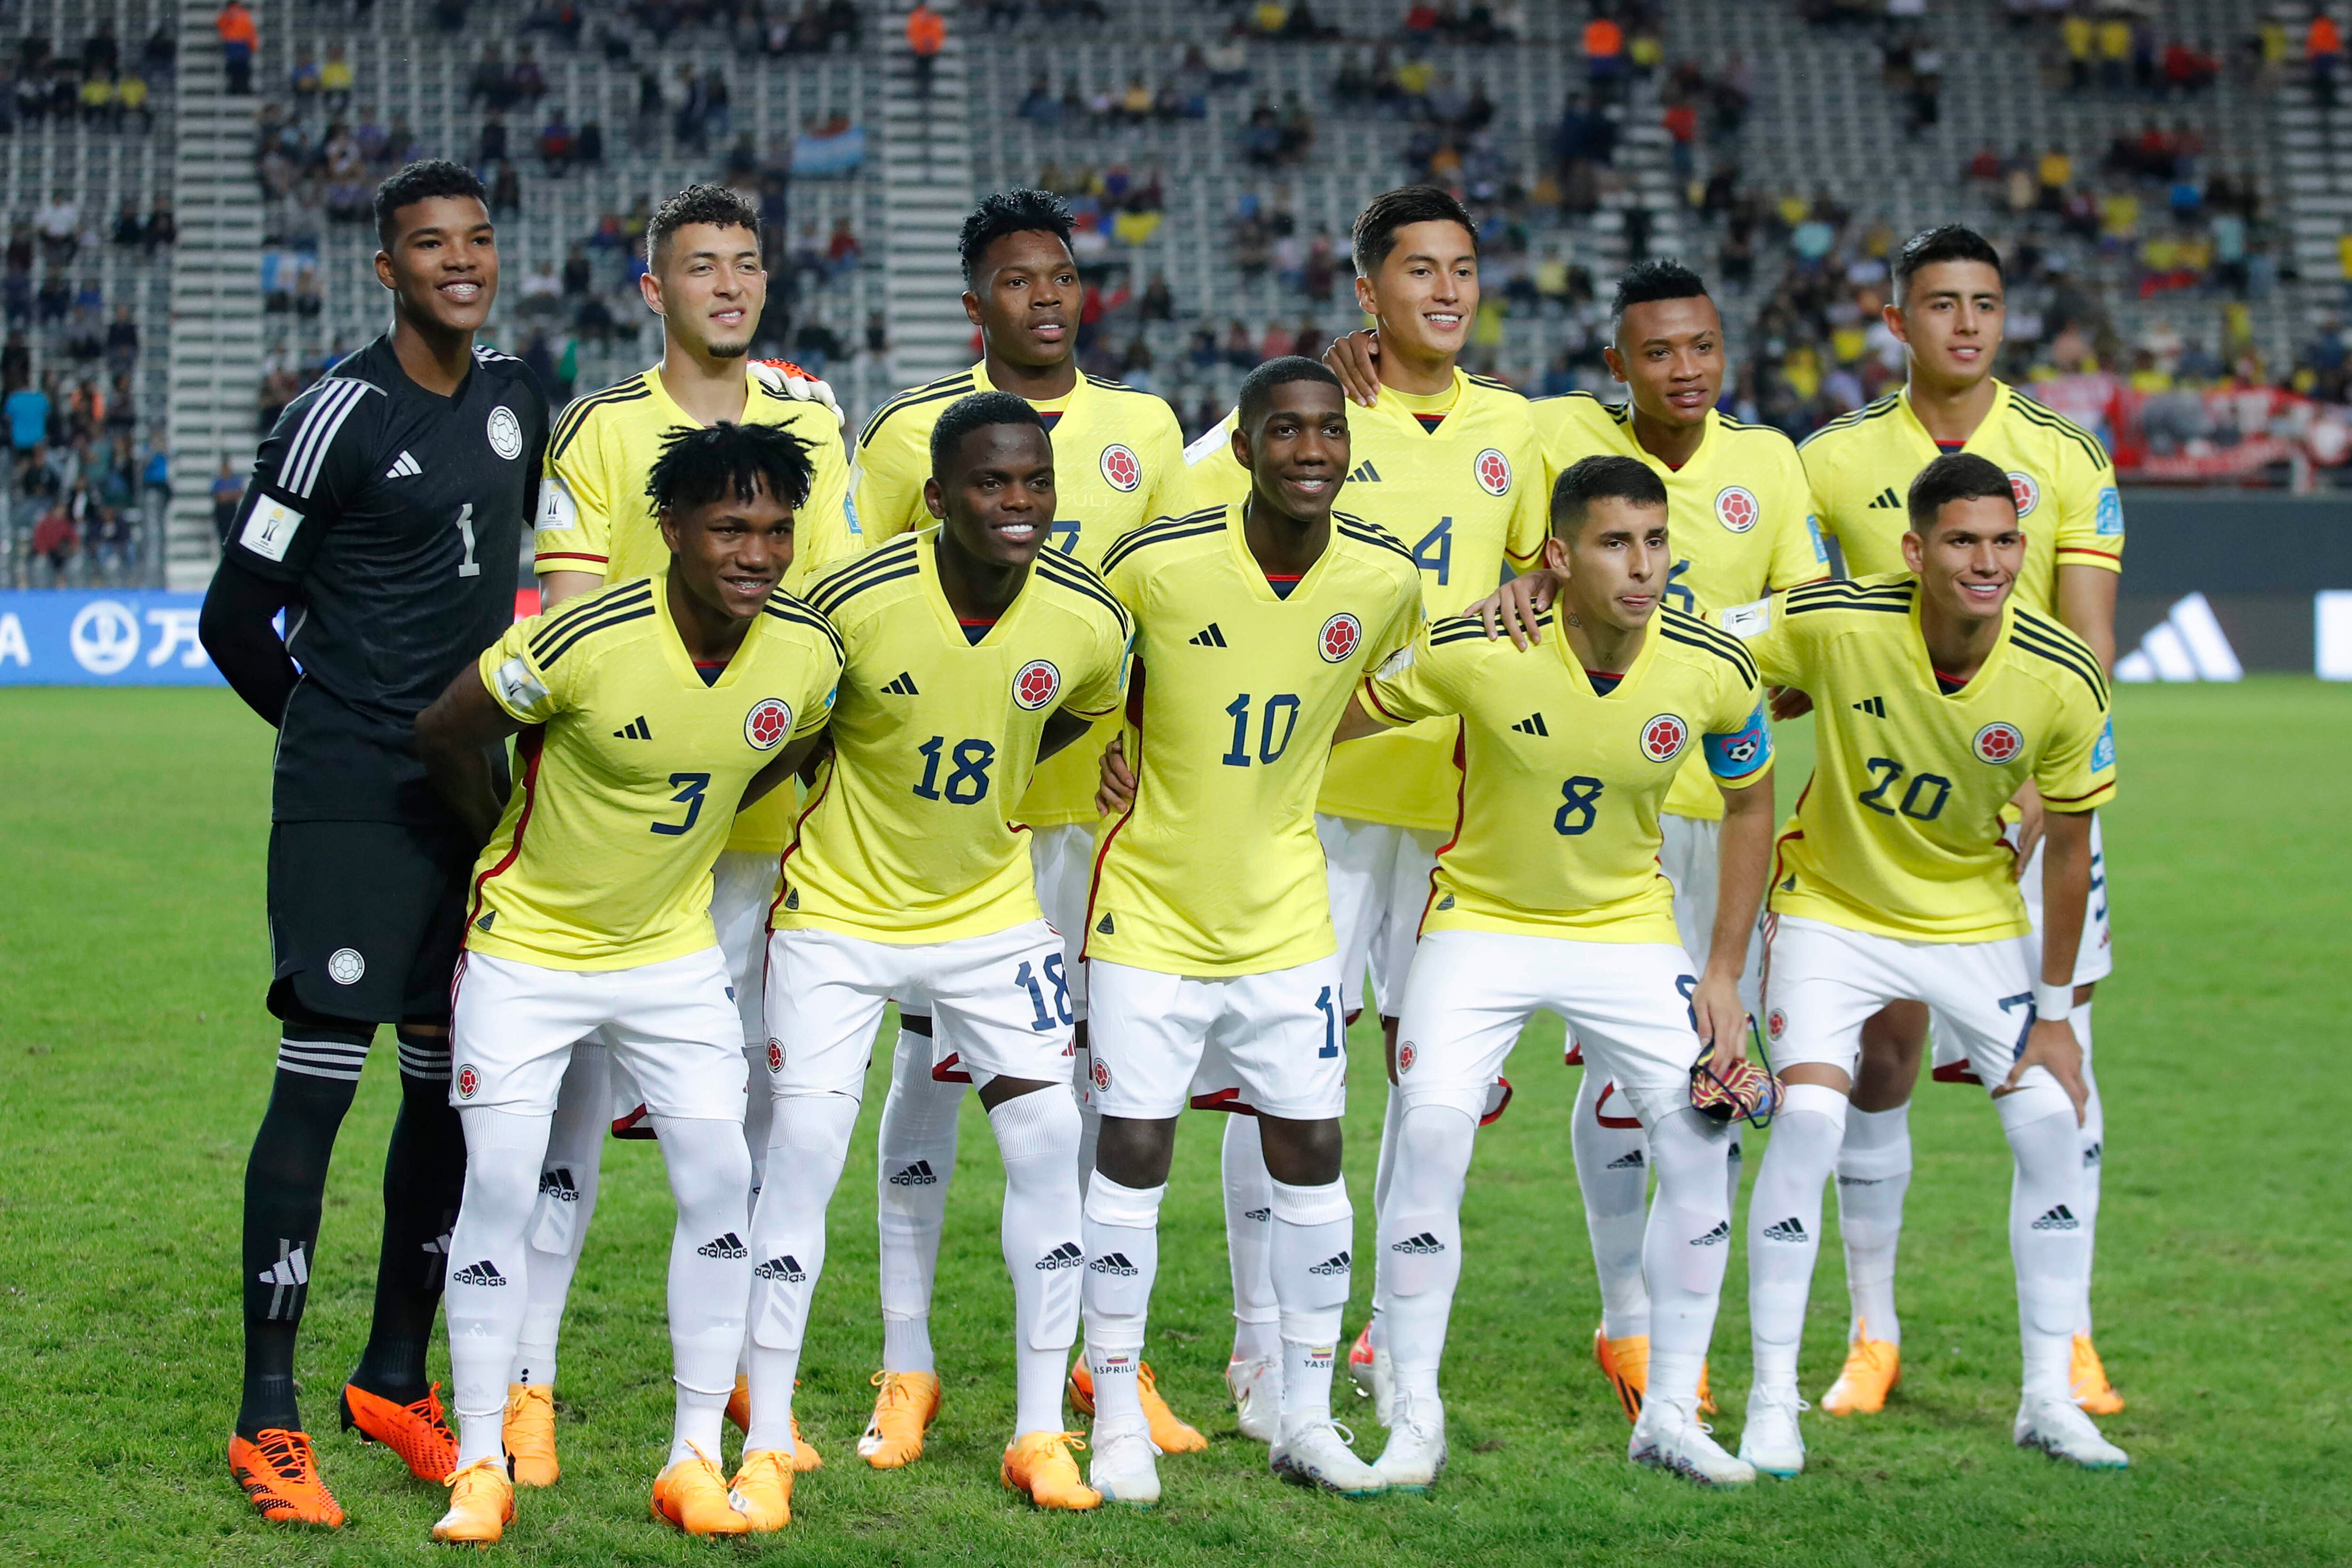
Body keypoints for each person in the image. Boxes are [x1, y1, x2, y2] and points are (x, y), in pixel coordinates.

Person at [411, 422, 844, 1544]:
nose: (756, 551)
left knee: (717, 1178)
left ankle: (695, 1455)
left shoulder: (805, 653)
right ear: (671, 531)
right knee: (502, 1184)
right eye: (729, 526)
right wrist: (499, 839)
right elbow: (448, 728)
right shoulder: (583, 638)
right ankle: (477, 1459)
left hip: (669, 954)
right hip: (529, 948)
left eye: (775, 529)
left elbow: (793, 744)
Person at [198, 161, 550, 1528]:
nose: (458, 262)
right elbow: (237, 618)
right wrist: (331, 738)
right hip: (352, 804)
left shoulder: (521, 395)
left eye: (475, 239)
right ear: (385, 268)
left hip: (474, 802)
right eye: (427, 245)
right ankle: (267, 1416)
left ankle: (393, 1375)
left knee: (441, 1089)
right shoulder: (332, 416)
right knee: (318, 1086)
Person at [1327, 454, 1775, 1487]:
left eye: (1656, 541)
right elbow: (1337, 710)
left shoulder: (1713, 668)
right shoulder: (1479, 648)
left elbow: (1749, 802)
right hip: (1479, 921)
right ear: (1562, 556)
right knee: (1431, 1131)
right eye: (1616, 543)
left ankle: (1668, 1407)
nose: (1643, 565)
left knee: (1701, 1144)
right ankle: (1412, 1406)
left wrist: (1723, 971)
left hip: (1625, 929)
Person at [504, 181, 850, 1487]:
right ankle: (527, 1380)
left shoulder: (811, 415)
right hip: (626, 841)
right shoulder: (599, 431)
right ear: (653, 291)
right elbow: (577, 631)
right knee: (571, 1124)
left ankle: (761, 1397)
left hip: (769, 831)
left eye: (746, 264)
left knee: (758, 1127)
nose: (727, 284)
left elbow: (830, 613)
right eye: (700, 266)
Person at [846, 188, 1196, 1465]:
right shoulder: (904, 438)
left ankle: (1115, 1357)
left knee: (1106, 1088)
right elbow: (854, 627)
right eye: (1017, 279)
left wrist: (1123, 748)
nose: (1046, 296)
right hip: (947, 830)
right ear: (974, 301)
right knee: (928, 1083)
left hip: (1104, 824)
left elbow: (1172, 610)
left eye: (1061, 275)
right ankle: (907, 1357)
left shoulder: (1147, 429)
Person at [748, 393, 1133, 1521]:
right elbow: (790, 729)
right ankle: (768, 1435)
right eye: (989, 484)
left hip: (988, 915)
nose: (1017, 505)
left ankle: (1036, 1432)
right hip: (839, 916)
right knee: (806, 1147)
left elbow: (1079, 707)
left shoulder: (1085, 618)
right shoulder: (852, 604)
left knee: (1048, 1136)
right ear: (936, 497)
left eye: (1034, 484)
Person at [1201, 185, 1547, 1433]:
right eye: (1419, 272)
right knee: (1289, 1074)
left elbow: (1540, 578)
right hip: (1321, 797)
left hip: (1457, 807)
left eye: (1463, 269)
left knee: (1427, 1079)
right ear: (1368, 294)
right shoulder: (1307, 411)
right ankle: (1254, 1342)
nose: (1446, 292)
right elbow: (1192, 531)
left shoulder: (1521, 426)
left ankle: (1393, 1333)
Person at [1465, 259, 1830, 1423]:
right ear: (1616, 364)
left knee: (1695, 1072)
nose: (1686, 369)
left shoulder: (1768, 463)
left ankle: (1646, 1329)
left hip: (1715, 814)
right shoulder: (1552, 435)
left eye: (1703, 348)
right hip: (1573, 803)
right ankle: (1620, 1320)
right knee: (1455, 1076)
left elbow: (1807, 616)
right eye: (1659, 352)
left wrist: (1737, 658)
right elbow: (1510, 573)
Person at [1724, 452, 2125, 1474]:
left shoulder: (2059, 673)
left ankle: (2046, 1394)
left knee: (2053, 1122)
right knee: (1809, 1118)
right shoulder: (1835, 622)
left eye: (2001, 541)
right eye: (1960, 540)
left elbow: (2071, 848)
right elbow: (1707, 644)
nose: (1984, 560)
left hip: (1973, 920)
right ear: (1915, 549)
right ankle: (1772, 1398)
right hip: (1833, 910)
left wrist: (2052, 1015)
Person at [1079, 358, 1423, 1504]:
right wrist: (1102, 744)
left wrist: (1325, 732)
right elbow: (1075, 661)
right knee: (1132, 1150)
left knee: (1312, 1153)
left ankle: (1306, 1413)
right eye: (1287, 431)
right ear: (1245, 447)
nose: (1313, 450)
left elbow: (1402, 682)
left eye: (1329, 430)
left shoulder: (1380, 580)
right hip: (1150, 910)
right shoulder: (1158, 564)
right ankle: (1116, 1408)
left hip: (1286, 915)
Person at [1796, 225, 2125, 1418]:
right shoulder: (1828, 461)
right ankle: (1870, 1331)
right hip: (1883, 821)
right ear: (1897, 319)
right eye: (1941, 303)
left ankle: (2071, 1338)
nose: (1967, 324)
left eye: (1986, 301)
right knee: (1876, 1056)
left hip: (2029, 801)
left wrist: (2041, 794)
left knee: (2056, 1057)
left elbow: (2089, 644)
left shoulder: (2064, 455)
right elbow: (1806, 632)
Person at [217, 0, 257, 94]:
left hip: (232, 43)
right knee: (243, 69)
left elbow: (220, 24)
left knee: (234, 69)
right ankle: (244, 88)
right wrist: (253, 45)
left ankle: (234, 88)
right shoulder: (244, 14)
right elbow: (251, 30)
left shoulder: (227, 14)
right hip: (242, 43)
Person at [907, 0, 945, 100]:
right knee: (921, 72)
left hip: (929, 50)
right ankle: (921, 92)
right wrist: (922, 44)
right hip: (921, 50)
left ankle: (926, 92)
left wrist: (930, 44)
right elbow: (913, 33)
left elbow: (938, 34)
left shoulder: (934, 19)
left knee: (927, 72)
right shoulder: (916, 18)